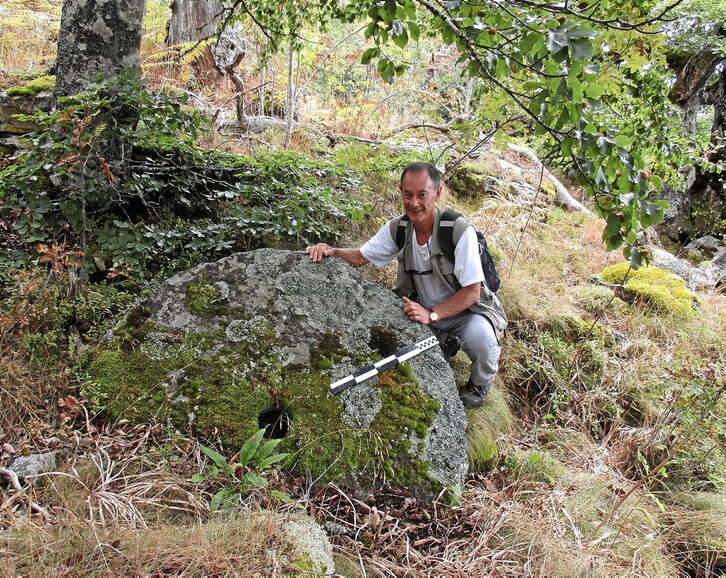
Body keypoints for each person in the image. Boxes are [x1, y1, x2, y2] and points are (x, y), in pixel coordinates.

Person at [305, 162, 507, 409]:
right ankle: (444, 340)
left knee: (481, 339)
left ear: (437, 193)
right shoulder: (399, 228)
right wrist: (329, 251)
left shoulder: (457, 230)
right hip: (419, 310)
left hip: (464, 312)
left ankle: (478, 385)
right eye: (408, 194)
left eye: (422, 194)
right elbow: (360, 257)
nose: (414, 203)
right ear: (400, 191)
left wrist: (431, 315)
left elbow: (472, 292)